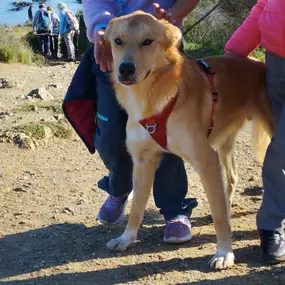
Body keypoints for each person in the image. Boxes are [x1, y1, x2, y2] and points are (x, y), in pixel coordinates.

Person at [63, 0, 200, 244]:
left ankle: (174, 208)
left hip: (159, 47)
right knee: (112, 135)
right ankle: (119, 186)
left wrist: (170, 17)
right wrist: (102, 30)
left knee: (166, 132)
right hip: (110, 47)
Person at [225, 0, 285, 264]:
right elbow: (265, 6)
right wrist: (235, 51)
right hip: (276, 62)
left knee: (281, 147)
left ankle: (272, 223)